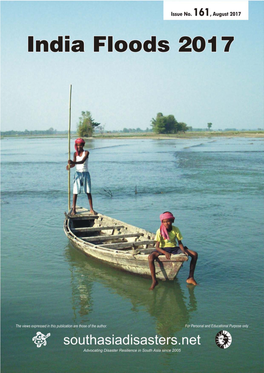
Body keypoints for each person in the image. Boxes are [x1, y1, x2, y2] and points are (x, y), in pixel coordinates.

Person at [148, 211, 198, 290]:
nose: (166, 223)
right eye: (164, 222)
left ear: (172, 221)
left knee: (194, 254)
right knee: (150, 257)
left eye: (168, 221)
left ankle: (190, 277)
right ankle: (154, 281)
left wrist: (184, 251)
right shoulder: (159, 231)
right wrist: (165, 252)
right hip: (163, 249)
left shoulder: (176, 229)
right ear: (162, 222)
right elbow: (157, 247)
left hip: (174, 248)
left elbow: (180, 243)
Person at [66, 138, 95, 215]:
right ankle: (74, 209)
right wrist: (69, 166)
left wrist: (73, 162)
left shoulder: (86, 153)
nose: (79, 147)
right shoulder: (75, 154)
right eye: (77, 145)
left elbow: (82, 162)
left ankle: (91, 209)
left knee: (88, 192)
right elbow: (74, 165)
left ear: (83, 145)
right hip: (78, 174)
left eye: (80, 145)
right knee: (75, 192)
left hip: (85, 174)